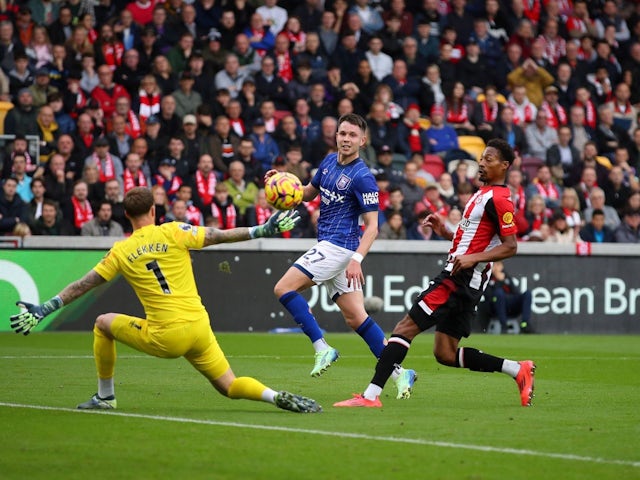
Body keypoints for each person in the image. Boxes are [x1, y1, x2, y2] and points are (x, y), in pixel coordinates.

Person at [9, 187, 321, 414]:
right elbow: (216, 235)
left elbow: (82, 285)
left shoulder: (120, 251)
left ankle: (105, 397)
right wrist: (261, 229)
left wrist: (44, 309)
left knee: (102, 323)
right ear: (154, 212)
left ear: (127, 216)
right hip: (199, 327)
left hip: (167, 336)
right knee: (229, 385)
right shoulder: (174, 232)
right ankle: (272, 396)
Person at [334, 138, 536, 408]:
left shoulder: (499, 199)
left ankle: (370, 396)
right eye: (482, 157)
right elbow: (472, 241)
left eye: (489, 159)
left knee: (405, 327)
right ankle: (517, 369)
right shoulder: (481, 194)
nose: (482, 162)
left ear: (505, 165)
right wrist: (446, 232)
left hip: (459, 279)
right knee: (445, 353)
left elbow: (511, 247)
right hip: (465, 277)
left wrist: (471, 258)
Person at [267, 113, 416, 399]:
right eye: (341, 133)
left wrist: (356, 259)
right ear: (336, 135)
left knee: (283, 288)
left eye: (351, 135)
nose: (345, 139)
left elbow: (373, 226)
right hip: (331, 246)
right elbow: (308, 194)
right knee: (356, 318)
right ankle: (400, 373)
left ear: (362, 140)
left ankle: (322, 348)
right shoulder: (327, 162)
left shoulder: (363, 177)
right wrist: (282, 183)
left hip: (340, 248)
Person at [481, 260, 534, 334]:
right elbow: (488, 296)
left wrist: (503, 280)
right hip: (494, 307)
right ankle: (503, 325)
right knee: (499, 293)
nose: (496, 268)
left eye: (498, 265)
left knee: (527, 294)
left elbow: (516, 293)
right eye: (494, 265)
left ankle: (525, 324)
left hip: (510, 307)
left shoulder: (506, 277)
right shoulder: (488, 278)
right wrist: (499, 281)